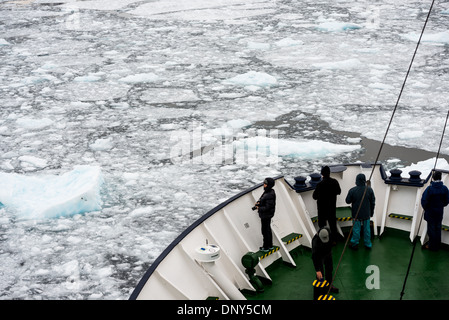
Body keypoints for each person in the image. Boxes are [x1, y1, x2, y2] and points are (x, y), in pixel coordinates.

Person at [345, 173, 375, 250]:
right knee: (367, 229)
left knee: (356, 229)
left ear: (356, 180)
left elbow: (347, 201)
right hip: (366, 214)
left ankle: (355, 244)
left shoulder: (352, 190)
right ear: (364, 180)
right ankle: (368, 244)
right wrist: (371, 213)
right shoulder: (369, 190)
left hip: (356, 214)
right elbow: (372, 202)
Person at [313, 166, 342, 244]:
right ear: (329, 173)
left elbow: (314, 197)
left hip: (322, 209)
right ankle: (334, 240)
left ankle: (324, 241)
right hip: (331, 208)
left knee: (322, 225)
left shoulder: (319, 184)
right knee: (333, 225)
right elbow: (339, 191)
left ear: (322, 174)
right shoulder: (334, 182)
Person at [421, 171, 449, 251]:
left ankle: (432, 246)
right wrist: (441, 206)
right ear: (440, 178)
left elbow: (424, 201)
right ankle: (437, 245)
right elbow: (447, 201)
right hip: (439, 212)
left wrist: (426, 208)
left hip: (431, 212)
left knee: (431, 229)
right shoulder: (445, 188)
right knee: (438, 228)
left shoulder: (429, 189)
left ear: (433, 177)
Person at [311, 227, 339, 293]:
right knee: (320, 274)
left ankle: (329, 286)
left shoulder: (330, 234)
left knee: (329, 269)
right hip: (319, 255)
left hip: (328, 252)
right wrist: (317, 270)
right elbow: (314, 257)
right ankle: (319, 290)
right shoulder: (315, 242)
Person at [254, 177, 276, 252]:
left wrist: (258, 208)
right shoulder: (269, 192)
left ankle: (266, 247)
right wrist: (259, 203)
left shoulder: (269, 194)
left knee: (265, 231)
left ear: (268, 185)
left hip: (266, 215)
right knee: (267, 230)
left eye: (265, 183)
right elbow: (264, 201)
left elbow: (268, 207)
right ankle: (270, 245)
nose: (264, 184)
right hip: (267, 215)